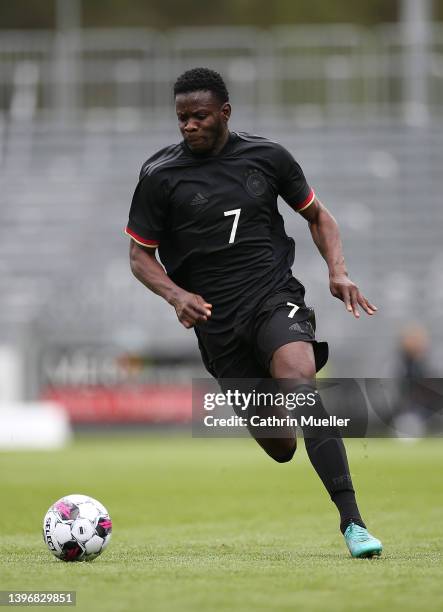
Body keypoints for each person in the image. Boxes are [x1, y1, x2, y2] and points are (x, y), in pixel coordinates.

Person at [125, 67, 382, 558]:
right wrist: (176, 295)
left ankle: (353, 523)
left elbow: (318, 216)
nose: (188, 126)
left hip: (272, 296)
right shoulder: (160, 176)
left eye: (199, 116)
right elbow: (140, 257)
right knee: (281, 444)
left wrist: (338, 271)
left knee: (301, 385)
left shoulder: (268, 157)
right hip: (215, 323)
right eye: (181, 118)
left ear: (224, 112)